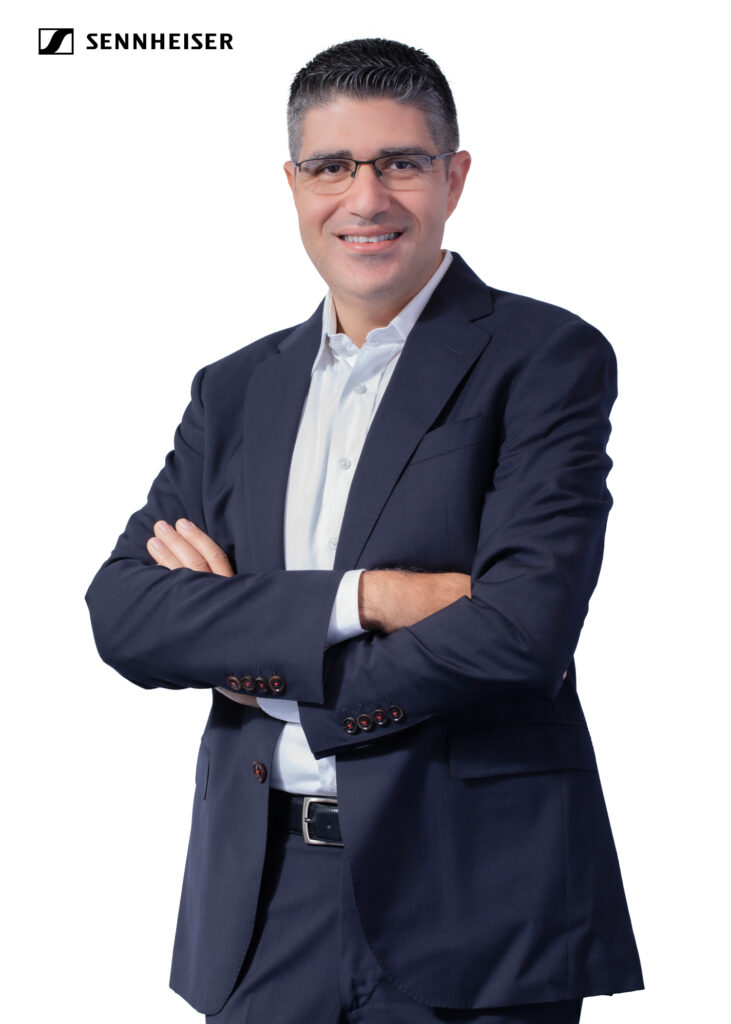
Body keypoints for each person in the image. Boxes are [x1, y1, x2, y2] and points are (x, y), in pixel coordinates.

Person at [86, 37, 643, 1024]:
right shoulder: (234, 390)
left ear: (452, 176)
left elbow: (519, 635)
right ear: (292, 184)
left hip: (473, 900)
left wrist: (255, 655)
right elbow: (127, 613)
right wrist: (365, 599)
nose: (366, 197)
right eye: (332, 166)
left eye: (399, 161)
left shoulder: (544, 358)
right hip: (262, 905)